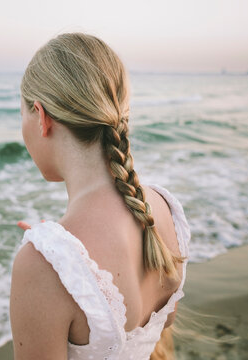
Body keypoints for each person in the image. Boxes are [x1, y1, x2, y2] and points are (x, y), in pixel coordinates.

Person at [10, 32, 191, 360]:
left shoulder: (39, 267)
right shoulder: (163, 209)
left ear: (41, 116)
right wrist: (57, 255)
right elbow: (167, 320)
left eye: (21, 113)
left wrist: (48, 261)